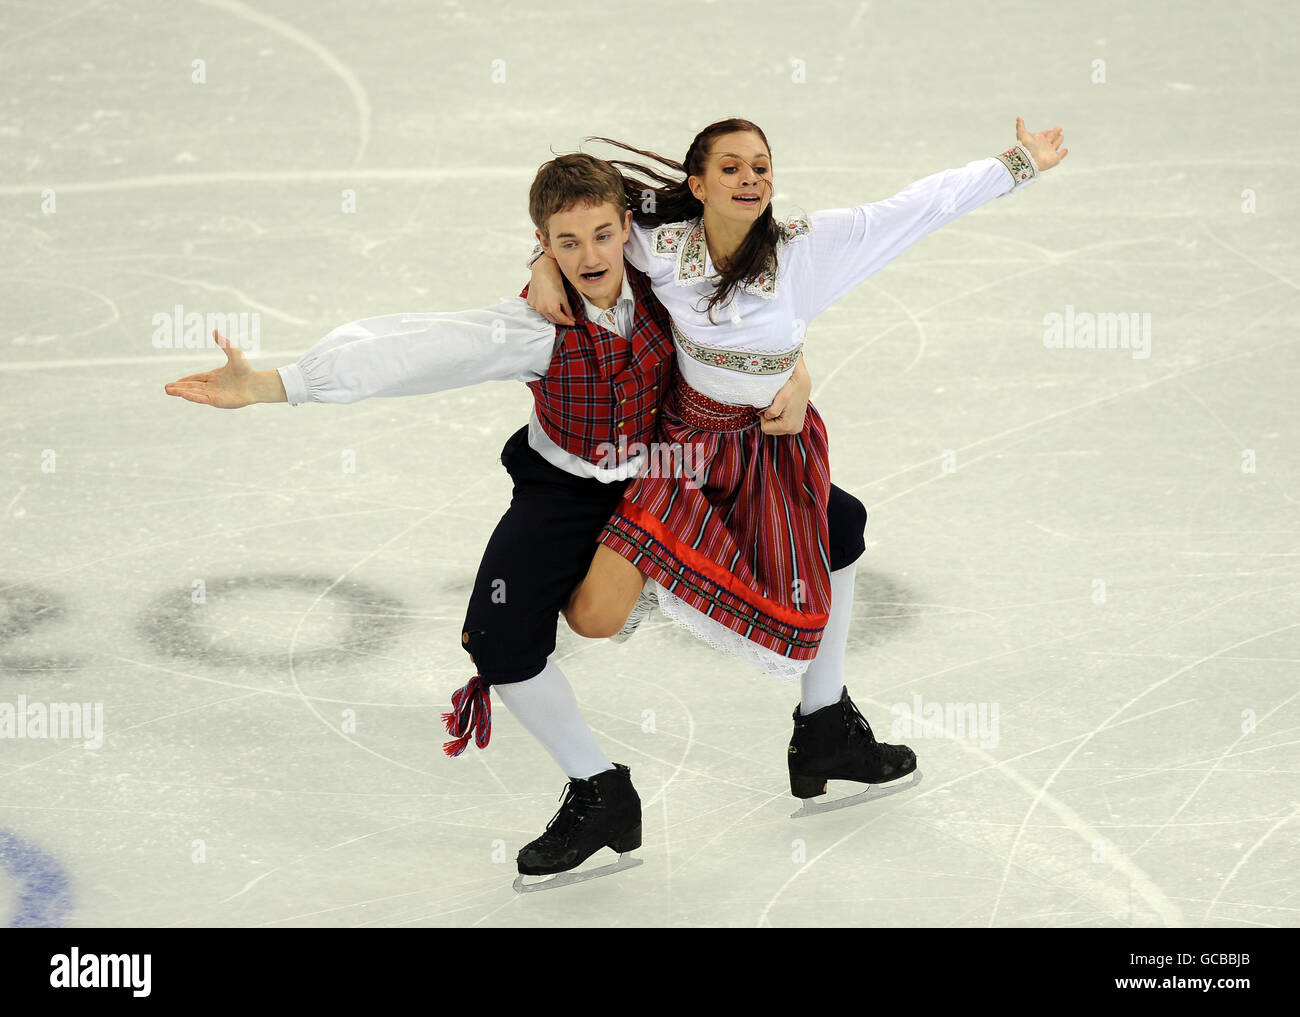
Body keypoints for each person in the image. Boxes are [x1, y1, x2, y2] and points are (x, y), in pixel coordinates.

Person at [162, 152, 871, 879]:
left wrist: (800, 369)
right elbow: (417, 351)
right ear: (543, 242)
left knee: (838, 523)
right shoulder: (536, 325)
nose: (589, 256)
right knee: (496, 636)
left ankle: (826, 726)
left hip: (668, 471)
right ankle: (602, 793)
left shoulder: (670, 277)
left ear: (628, 228)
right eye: (565, 243)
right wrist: (280, 384)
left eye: (602, 236)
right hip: (566, 489)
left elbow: (761, 294)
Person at [526, 116, 1067, 798]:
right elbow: (579, 224)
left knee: (841, 527)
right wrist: (542, 262)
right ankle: (621, 583)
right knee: (593, 619)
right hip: (685, 452)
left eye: (761, 165)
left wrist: (1018, 162)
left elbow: (917, 208)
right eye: (731, 167)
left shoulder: (806, 251)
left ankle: (824, 727)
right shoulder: (660, 247)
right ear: (697, 184)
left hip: (773, 447)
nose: (750, 177)